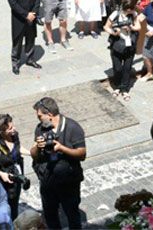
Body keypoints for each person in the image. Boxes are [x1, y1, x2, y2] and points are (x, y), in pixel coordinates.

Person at [31, 97, 86, 230]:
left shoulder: (73, 127)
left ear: (49, 115)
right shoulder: (40, 129)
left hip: (68, 182)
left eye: (39, 116)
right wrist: (38, 147)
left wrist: (62, 148)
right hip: (47, 181)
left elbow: (82, 154)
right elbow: (33, 154)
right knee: (50, 215)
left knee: (72, 214)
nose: (38, 119)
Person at [0, 114, 28, 220]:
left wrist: (32, 153)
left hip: (16, 178)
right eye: (10, 128)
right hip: (3, 183)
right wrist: (2, 174)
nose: (14, 129)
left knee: (14, 205)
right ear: (2, 132)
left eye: (13, 126)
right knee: (5, 209)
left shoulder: (14, 136)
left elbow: (18, 148)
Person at [6, 0, 42, 75]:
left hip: (32, 17)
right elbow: (13, 4)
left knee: (31, 39)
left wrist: (34, 13)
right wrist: (26, 15)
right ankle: (15, 63)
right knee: (17, 41)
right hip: (19, 19)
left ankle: (30, 59)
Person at [104, 0, 141, 100]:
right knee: (117, 68)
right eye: (128, 9)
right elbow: (106, 27)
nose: (130, 11)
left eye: (131, 9)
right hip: (117, 44)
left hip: (130, 44)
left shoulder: (134, 14)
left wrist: (131, 27)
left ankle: (124, 89)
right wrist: (114, 32)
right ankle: (117, 86)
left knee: (127, 68)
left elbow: (138, 27)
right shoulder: (115, 14)